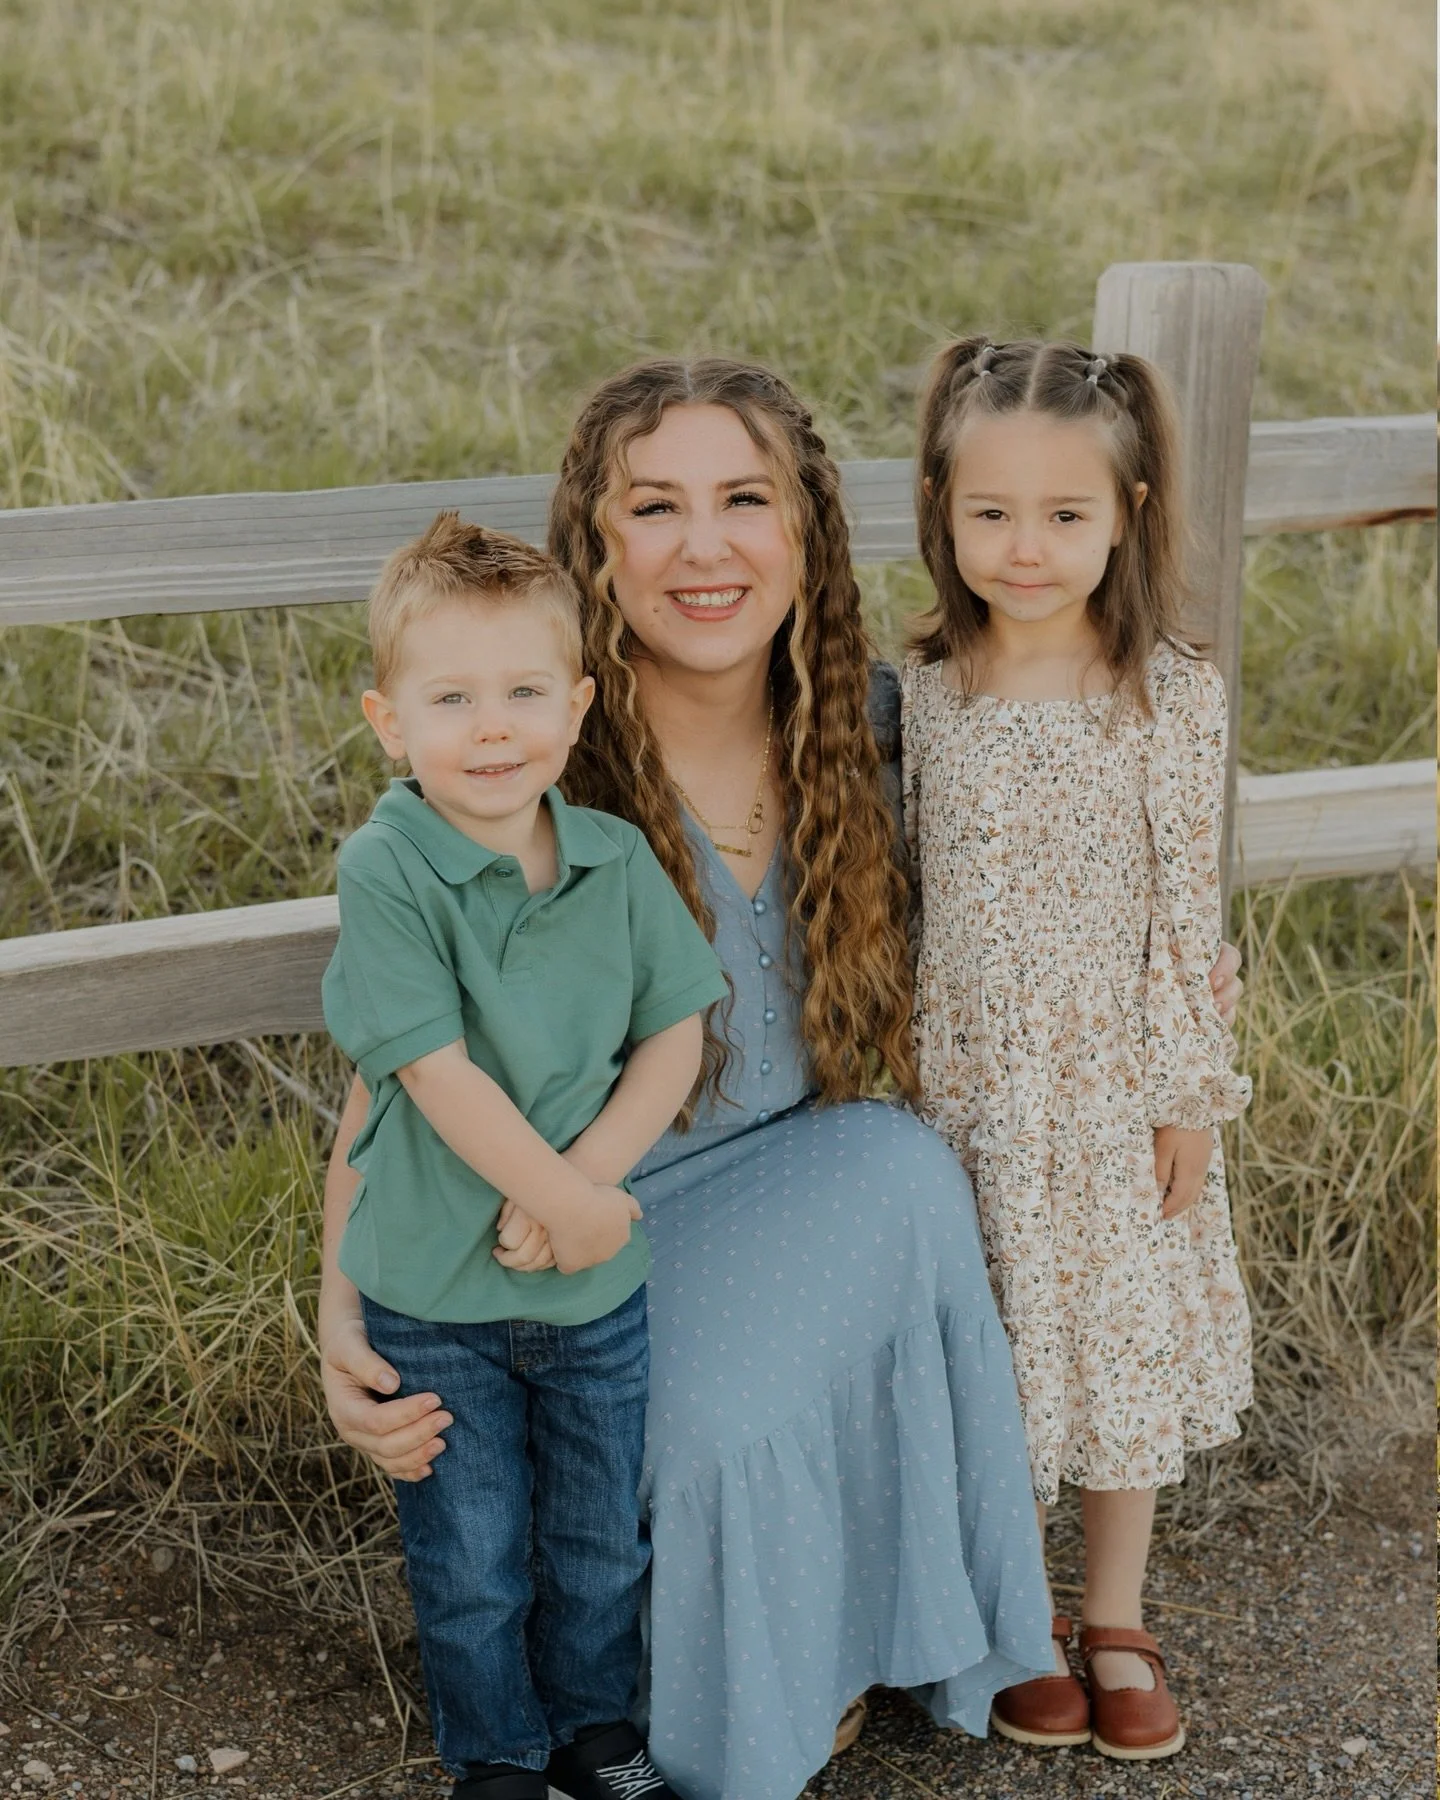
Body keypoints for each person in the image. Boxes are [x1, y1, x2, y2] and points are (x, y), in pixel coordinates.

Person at [316, 358, 1245, 1800]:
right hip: (571, 1220)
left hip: (806, 1184)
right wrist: (339, 1314)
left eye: (744, 500)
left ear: (806, 530)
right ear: (597, 545)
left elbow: (1079, 874)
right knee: (639, 1456)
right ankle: (721, 1677)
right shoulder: (532, 771)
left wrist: (1176, 1039)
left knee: (895, 1173)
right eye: (655, 507)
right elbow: (402, 1062)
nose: (704, 547)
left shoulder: (887, 731)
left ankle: (871, 1638)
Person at [320, 513, 728, 1800]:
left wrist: (593, 1194)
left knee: (600, 1536)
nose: (491, 729)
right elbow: (429, 1071)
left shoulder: (612, 859)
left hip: (592, 1289)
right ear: (390, 722)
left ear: (577, 704)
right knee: (472, 1553)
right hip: (435, 1297)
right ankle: (495, 1756)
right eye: (452, 699)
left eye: (522, 694)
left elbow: (675, 1032)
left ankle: (596, 1731)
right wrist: (553, 1196)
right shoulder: (388, 869)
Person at [902, 337, 1254, 1762]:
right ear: (943, 507)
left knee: (1106, 1349)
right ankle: (1011, 1616)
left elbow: (1188, 910)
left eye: (1065, 516)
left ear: (1130, 513)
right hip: (968, 1089)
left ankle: (1115, 1613)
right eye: (993, 514)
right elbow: (914, 893)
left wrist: (1187, 1094)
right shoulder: (927, 688)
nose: (1027, 547)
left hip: (1113, 1087)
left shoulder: (1165, 689)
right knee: (997, 1354)